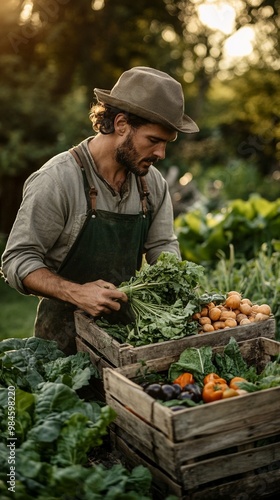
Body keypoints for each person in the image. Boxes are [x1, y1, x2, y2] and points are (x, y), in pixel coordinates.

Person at [1, 66, 199, 355]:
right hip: (62, 345)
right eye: (153, 141)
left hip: (127, 339)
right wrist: (77, 292)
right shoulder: (58, 180)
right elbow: (17, 260)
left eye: (166, 144)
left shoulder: (151, 184)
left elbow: (162, 245)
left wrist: (177, 291)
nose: (161, 154)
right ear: (121, 124)